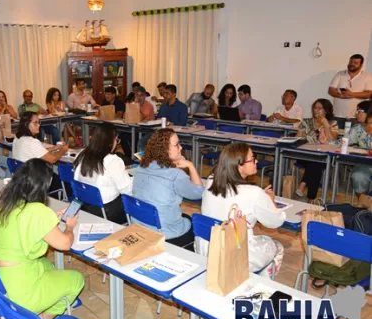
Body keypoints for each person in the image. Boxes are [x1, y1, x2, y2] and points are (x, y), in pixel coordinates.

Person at [0, 159, 84, 319]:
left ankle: (50, 299)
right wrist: (69, 227)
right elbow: (65, 244)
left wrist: (50, 219)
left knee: (46, 265)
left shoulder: (5, 206)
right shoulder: (37, 212)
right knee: (76, 279)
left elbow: (24, 222)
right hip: (16, 296)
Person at [201, 143, 285, 278]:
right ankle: (261, 286)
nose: (256, 161)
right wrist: (271, 201)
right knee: (277, 247)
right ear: (239, 165)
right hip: (237, 255)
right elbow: (275, 221)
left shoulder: (211, 181)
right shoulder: (254, 193)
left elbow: (233, 201)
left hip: (208, 250)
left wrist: (260, 200)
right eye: (252, 159)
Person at [132, 129, 204, 249]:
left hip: (141, 226)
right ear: (164, 149)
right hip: (165, 234)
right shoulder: (175, 175)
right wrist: (191, 166)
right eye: (176, 145)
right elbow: (199, 193)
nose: (180, 148)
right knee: (196, 223)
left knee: (183, 215)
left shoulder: (141, 167)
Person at [74, 123, 132, 224]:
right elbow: (127, 191)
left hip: (84, 206)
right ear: (110, 142)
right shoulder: (113, 161)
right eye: (116, 140)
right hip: (106, 211)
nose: (116, 143)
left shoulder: (83, 154)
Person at [12, 112, 68, 192]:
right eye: (35, 123)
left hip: (21, 177)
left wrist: (53, 148)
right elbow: (53, 160)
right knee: (66, 183)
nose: (38, 125)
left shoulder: (17, 138)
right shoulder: (32, 142)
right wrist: (63, 150)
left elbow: (35, 152)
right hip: (35, 180)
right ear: (26, 124)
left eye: (39, 122)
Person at [295, 99, 339, 200]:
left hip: (323, 157)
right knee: (314, 163)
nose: (316, 110)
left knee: (315, 162)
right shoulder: (306, 122)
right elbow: (297, 139)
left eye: (320, 108)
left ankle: (303, 185)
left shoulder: (333, 123)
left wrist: (326, 124)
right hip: (304, 154)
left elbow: (333, 140)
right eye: (315, 108)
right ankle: (311, 198)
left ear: (326, 110)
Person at [328, 54, 372, 126]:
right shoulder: (340, 74)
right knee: (336, 136)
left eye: (355, 63)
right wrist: (340, 95)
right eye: (351, 62)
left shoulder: (367, 76)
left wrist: (352, 94)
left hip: (356, 117)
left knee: (354, 136)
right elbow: (331, 90)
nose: (352, 64)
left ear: (361, 65)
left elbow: (368, 94)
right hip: (338, 114)